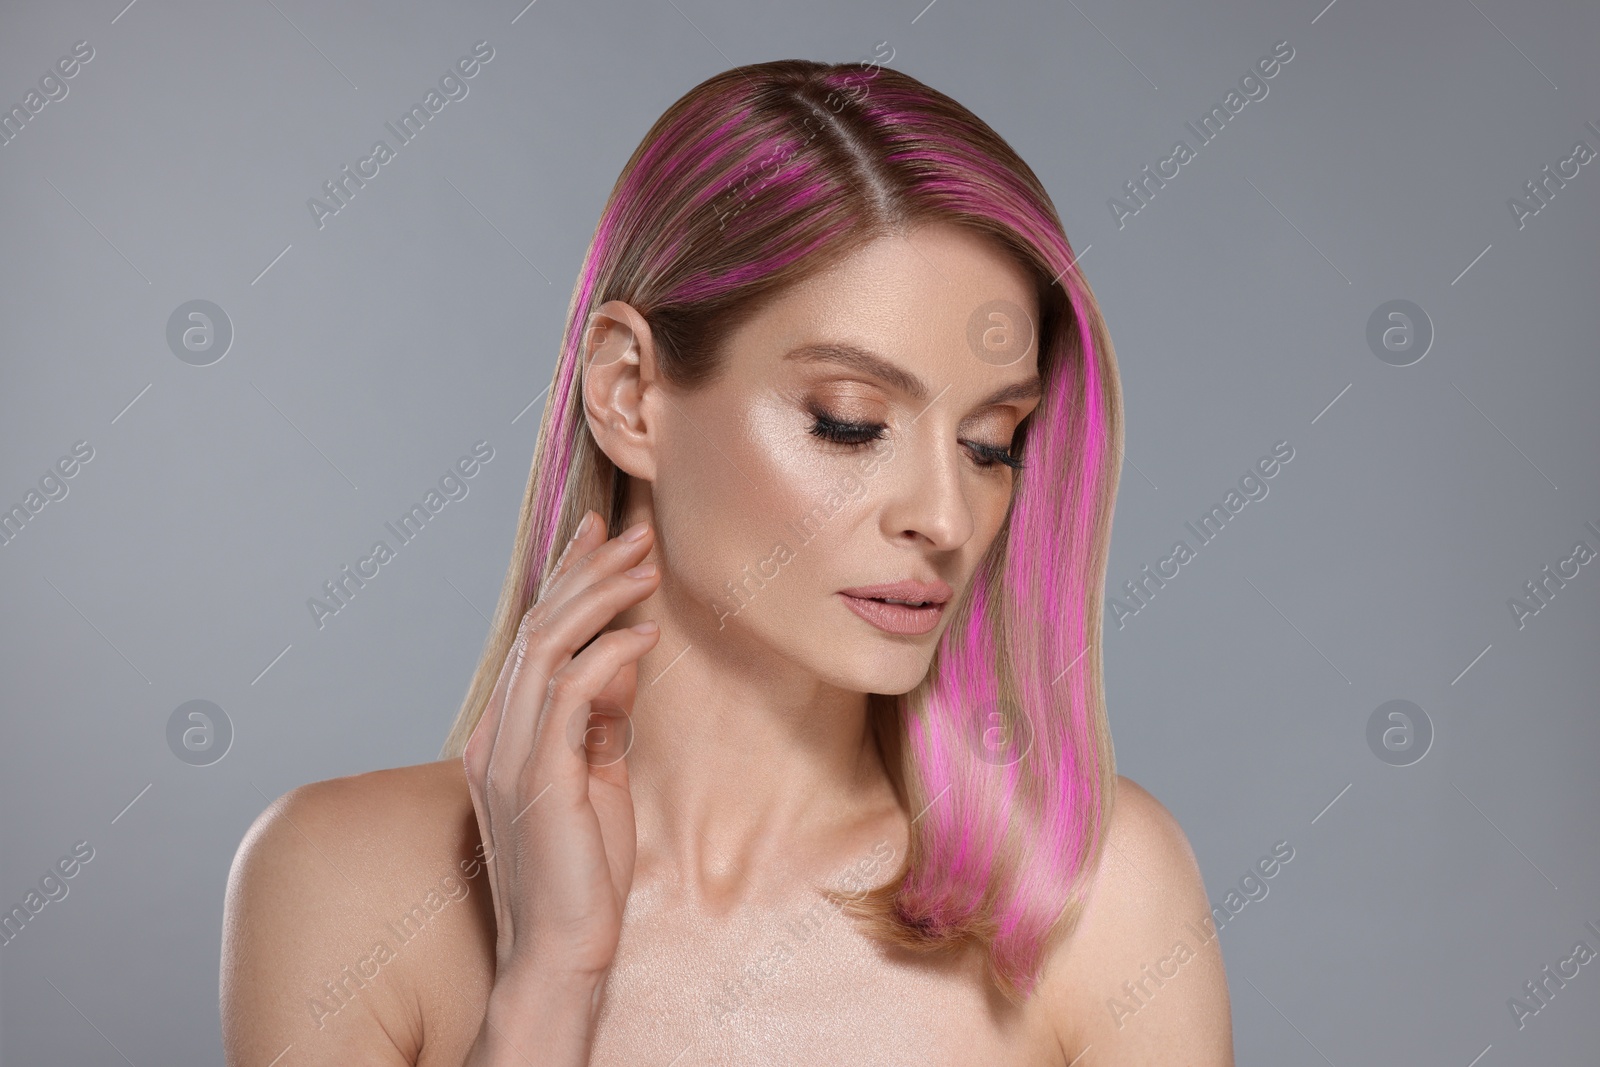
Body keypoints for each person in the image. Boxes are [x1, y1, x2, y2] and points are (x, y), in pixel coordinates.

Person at [221, 57, 1232, 1065]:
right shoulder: (341, 885)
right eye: (850, 422)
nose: (944, 516)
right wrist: (546, 987)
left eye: (989, 443)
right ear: (628, 393)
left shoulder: (1091, 899)